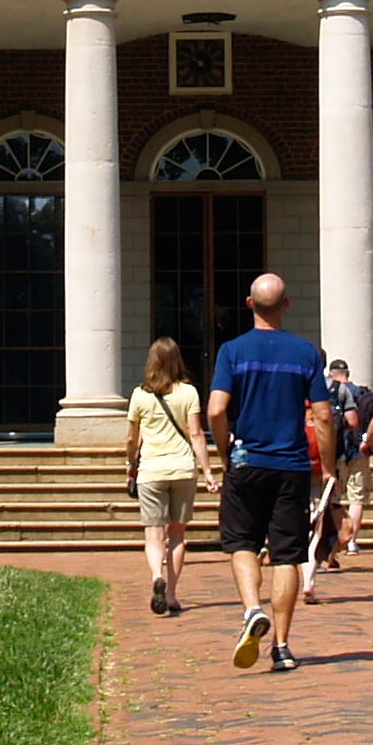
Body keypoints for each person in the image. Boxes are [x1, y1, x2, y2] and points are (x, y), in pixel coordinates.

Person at [203, 272, 334, 675]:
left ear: (249, 304)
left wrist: (226, 451)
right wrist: (328, 468)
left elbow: (215, 410)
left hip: (247, 462)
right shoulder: (307, 353)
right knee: (287, 556)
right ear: (286, 305)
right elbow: (325, 415)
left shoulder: (232, 351)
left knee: (241, 541)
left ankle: (251, 610)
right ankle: (281, 645)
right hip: (292, 466)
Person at [124, 337, 211, 616]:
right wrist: (208, 470)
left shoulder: (140, 395)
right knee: (177, 536)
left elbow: (131, 437)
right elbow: (196, 434)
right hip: (183, 469)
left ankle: (155, 577)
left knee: (153, 534)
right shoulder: (189, 393)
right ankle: (172, 594)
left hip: (151, 470)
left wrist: (130, 464)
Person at [320, 357, 373, 570]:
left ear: (331, 373)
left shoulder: (328, 390)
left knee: (334, 499)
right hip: (359, 451)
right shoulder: (361, 392)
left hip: (336, 452)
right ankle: (352, 541)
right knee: (357, 497)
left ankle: (333, 543)